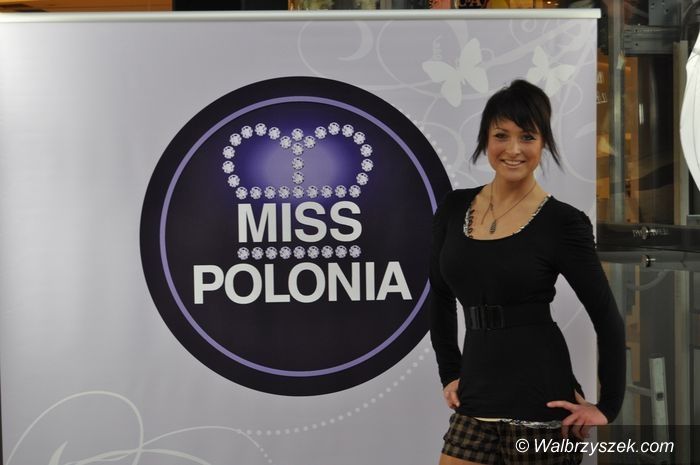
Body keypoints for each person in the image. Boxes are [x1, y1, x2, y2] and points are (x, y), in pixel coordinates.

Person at [429, 79, 626, 465]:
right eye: (501, 135)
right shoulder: (453, 208)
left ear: (544, 143)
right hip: (476, 394)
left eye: (528, 136)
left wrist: (608, 407)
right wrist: (450, 371)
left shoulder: (563, 223)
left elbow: (606, 315)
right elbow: (439, 294)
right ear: (486, 139)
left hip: (542, 399)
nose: (514, 149)